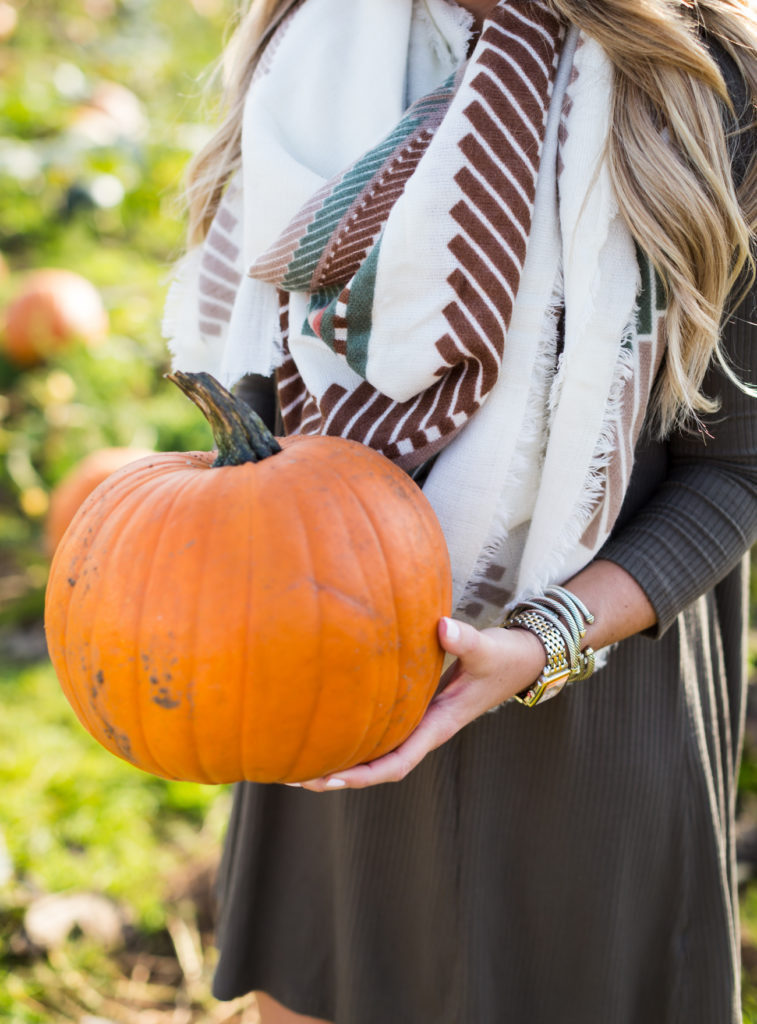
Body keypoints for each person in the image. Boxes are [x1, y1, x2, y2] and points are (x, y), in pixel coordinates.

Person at [163, 0, 757, 1020]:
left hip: (591, 726)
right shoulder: (308, 45)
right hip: (329, 676)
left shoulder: (704, 85)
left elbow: (735, 472)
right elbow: (254, 360)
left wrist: (543, 641)